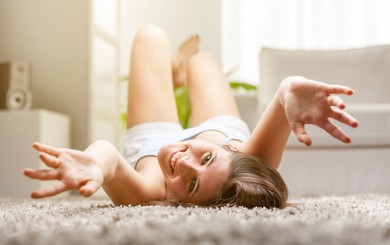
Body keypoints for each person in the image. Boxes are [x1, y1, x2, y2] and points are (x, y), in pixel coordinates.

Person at [24, 24, 358, 209]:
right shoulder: (250, 159)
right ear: (235, 152)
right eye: (206, 160)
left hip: (151, 140)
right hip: (220, 129)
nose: (183, 164)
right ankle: (180, 67)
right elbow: (285, 97)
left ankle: (171, 64)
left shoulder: (149, 191)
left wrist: (93, 164)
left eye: (192, 184)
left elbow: (107, 158)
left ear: (186, 203)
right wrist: (291, 91)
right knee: (203, 62)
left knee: (150, 37)